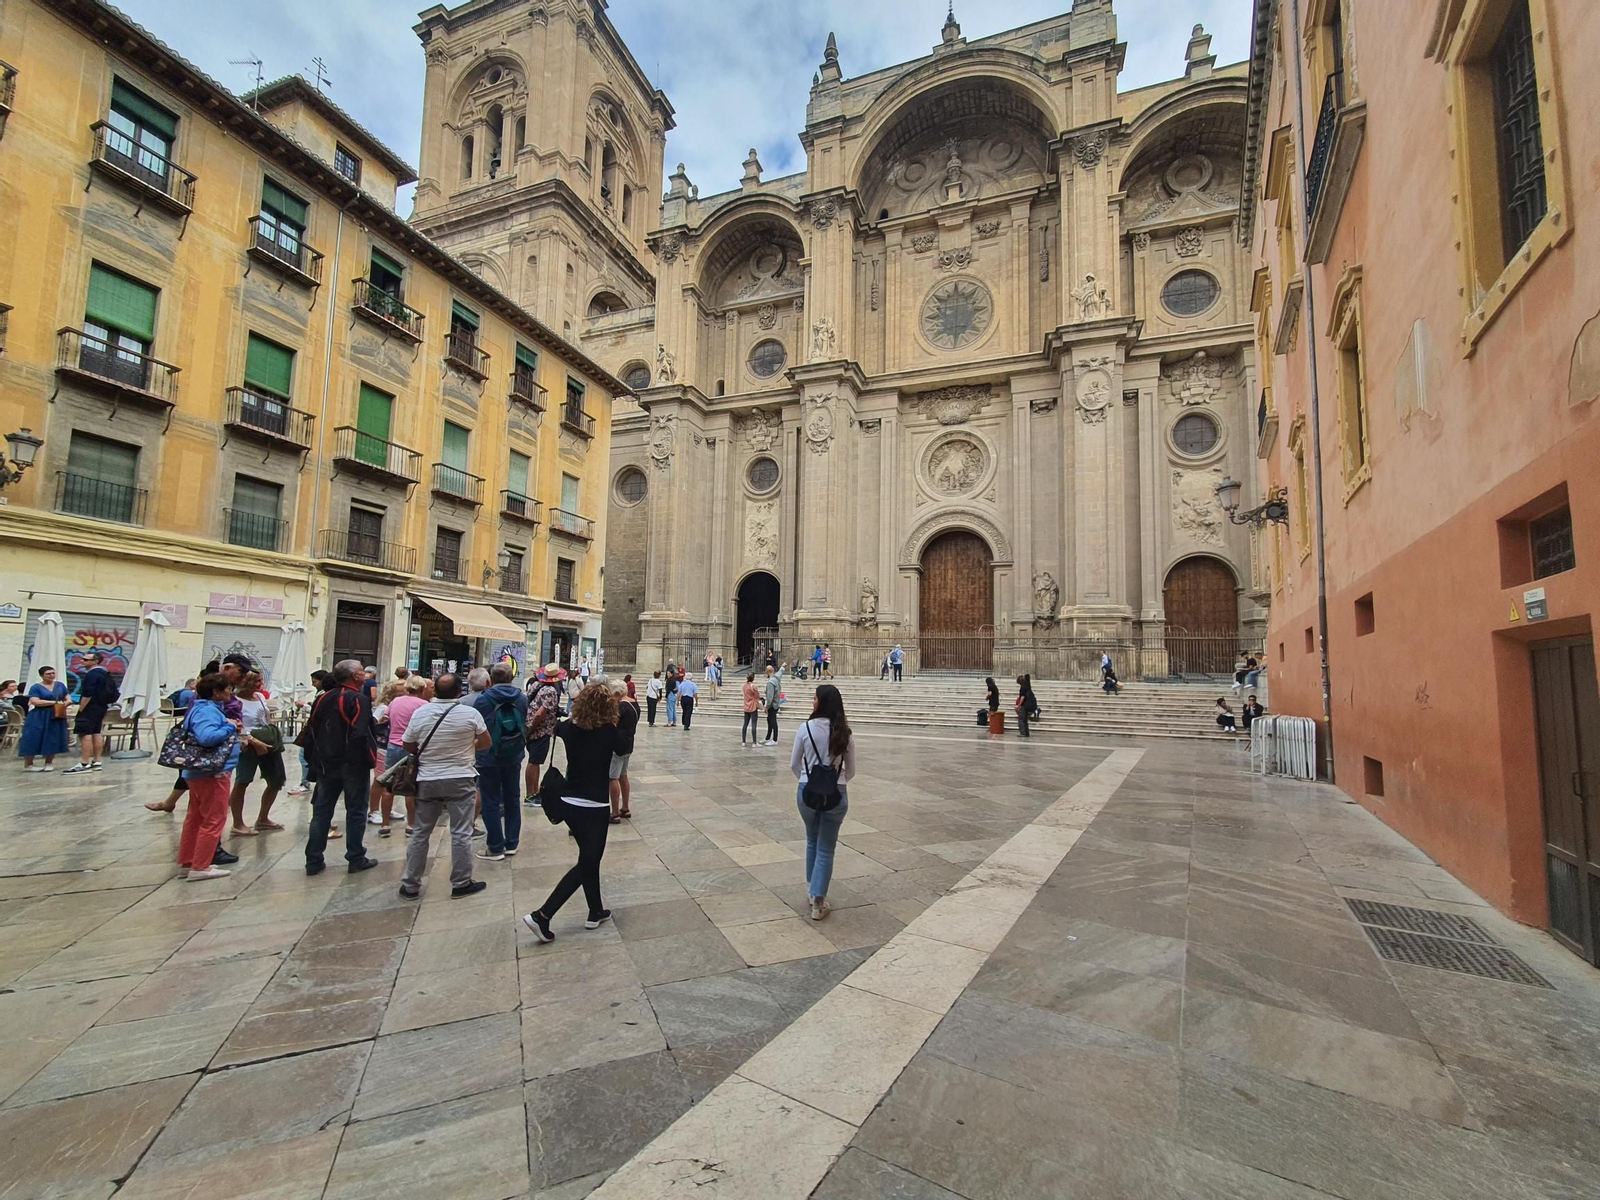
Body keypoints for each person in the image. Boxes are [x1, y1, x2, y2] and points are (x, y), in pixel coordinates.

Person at [520, 682, 621, 943]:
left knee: (589, 856)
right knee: (588, 861)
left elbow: (558, 723)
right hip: (595, 805)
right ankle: (543, 915)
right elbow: (623, 748)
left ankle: (595, 910)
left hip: (569, 803)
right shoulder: (611, 731)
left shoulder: (568, 728)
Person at [399, 672, 490, 900]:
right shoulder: (470, 714)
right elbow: (486, 741)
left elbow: (408, 744)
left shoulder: (421, 713)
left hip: (428, 779)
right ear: (460, 691)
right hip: (460, 777)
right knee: (461, 832)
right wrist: (467, 748)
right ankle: (461, 882)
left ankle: (410, 883)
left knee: (421, 831)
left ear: (435, 691)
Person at [302, 659, 378, 875]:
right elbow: (360, 733)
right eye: (362, 671)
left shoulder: (323, 698)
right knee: (355, 811)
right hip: (351, 765)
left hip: (326, 763)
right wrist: (363, 759)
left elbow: (311, 730)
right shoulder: (357, 699)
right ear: (355, 676)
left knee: (322, 811)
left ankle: (313, 860)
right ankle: (356, 857)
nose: (365, 675)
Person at [789, 683, 857, 922]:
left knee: (811, 840)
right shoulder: (845, 733)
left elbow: (794, 764)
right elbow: (851, 771)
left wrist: (808, 781)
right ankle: (818, 901)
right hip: (836, 793)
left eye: (815, 698)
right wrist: (836, 782)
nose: (812, 701)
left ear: (821, 702)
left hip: (806, 792)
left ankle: (811, 891)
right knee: (826, 848)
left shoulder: (805, 728)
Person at [176, 672, 242, 881]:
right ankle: (201, 865)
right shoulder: (207, 712)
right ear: (216, 692)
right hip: (213, 773)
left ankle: (189, 859)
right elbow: (207, 737)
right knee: (214, 818)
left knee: (195, 817)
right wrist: (230, 726)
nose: (230, 692)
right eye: (227, 689)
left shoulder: (200, 709)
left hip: (198, 773)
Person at [472, 661, 528, 861]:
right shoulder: (521, 698)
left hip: (489, 756)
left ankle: (495, 846)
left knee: (491, 800)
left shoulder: (483, 700)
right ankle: (512, 843)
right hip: (514, 755)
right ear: (512, 678)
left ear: (490, 680)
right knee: (513, 798)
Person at [229, 670, 285, 834]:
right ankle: (237, 823)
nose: (261, 685)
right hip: (248, 744)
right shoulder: (235, 701)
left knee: (276, 780)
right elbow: (237, 725)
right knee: (243, 780)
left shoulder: (260, 697)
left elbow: (265, 718)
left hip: (267, 742)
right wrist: (254, 741)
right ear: (246, 682)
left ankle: (263, 818)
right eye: (257, 681)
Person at [380, 676, 429, 834]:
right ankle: (411, 825)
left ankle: (385, 825)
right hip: (412, 748)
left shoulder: (395, 702)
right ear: (422, 689)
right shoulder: (424, 705)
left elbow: (385, 718)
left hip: (393, 745)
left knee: (389, 786)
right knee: (411, 787)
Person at [64, 652, 117, 774]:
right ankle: (97, 761)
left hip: (90, 707)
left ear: (95, 661)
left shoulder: (92, 675)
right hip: (101, 707)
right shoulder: (105, 674)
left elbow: (87, 693)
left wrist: (81, 709)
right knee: (97, 732)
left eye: (85, 659)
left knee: (85, 734)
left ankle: (84, 762)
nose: (82, 661)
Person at [366, 679, 405, 833]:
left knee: (391, 779)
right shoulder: (383, 708)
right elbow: (372, 724)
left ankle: (386, 809)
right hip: (382, 746)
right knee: (380, 778)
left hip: (392, 745)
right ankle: (374, 810)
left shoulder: (399, 705)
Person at [285, 669, 331, 798]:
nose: (313, 684)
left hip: (315, 732)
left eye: (315, 681)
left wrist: (304, 705)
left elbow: (318, 711)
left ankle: (305, 783)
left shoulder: (323, 694)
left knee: (304, 756)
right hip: (319, 732)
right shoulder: (325, 694)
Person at [524, 665, 562, 806]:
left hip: (533, 728)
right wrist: (531, 728)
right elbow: (541, 713)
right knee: (534, 762)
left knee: (536, 761)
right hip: (541, 730)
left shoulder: (536, 685)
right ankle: (530, 795)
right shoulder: (550, 690)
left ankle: (534, 791)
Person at [18, 666, 69, 770]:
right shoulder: (36, 687)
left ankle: (49, 762)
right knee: (33, 738)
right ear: (42, 675)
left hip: (55, 714)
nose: (51, 675)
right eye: (48, 674)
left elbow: (67, 697)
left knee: (52, 738)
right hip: (39, 715)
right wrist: (54, 702)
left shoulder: (60, 685)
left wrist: (66, 702)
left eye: (53, 673)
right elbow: (35, 701)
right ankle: (29, 764)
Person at [609, 677, 639, 821]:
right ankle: (625, 807)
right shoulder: (635, 704)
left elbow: (612, 723)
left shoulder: (622, 706)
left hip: (618, 744)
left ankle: (614, 812)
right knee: (623, 775)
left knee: (613, 777)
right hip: (629, 743)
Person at [762, 664, 781, 746]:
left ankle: (775, 739)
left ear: (768, 671)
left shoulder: (770, 682)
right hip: (776, 703)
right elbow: (781, 671)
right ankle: (767, 737)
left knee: (772, 721)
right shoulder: (776, 679)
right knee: (769, 721)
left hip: (773, 705)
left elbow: (770, 697)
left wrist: (767, 707)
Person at [741, 672, 761, 746]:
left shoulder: (744, 686)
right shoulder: (753, 686)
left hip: (746, 706)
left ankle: (743, 741)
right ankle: (754, 742)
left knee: (745, 724)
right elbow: (757, 696)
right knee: (754, 724)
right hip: (753, 706)